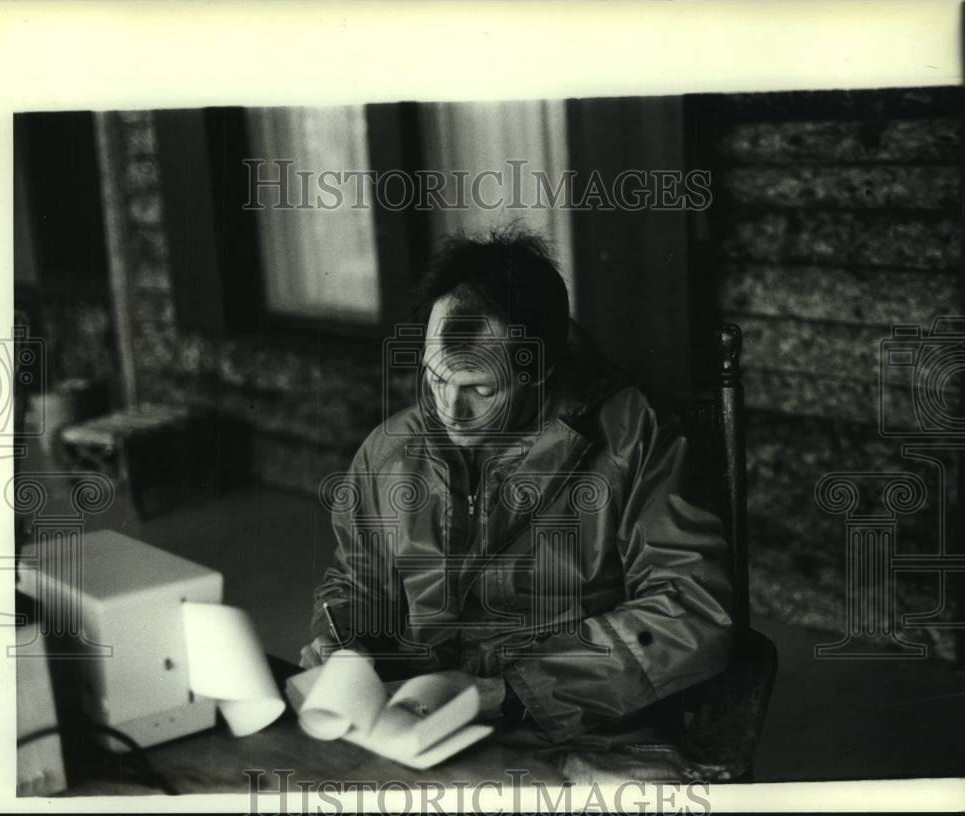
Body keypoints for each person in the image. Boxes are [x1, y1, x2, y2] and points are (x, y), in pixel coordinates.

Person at [300, 228, 733, 750]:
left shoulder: (636, 439)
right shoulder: (390, 449)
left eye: (480, 390)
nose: (448, 411)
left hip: (588, 734)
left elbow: (690, 609)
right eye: (436, 380)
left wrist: (515, 692)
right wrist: (345, 639)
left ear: (540, 372)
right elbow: (360, 582)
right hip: (419, 725)